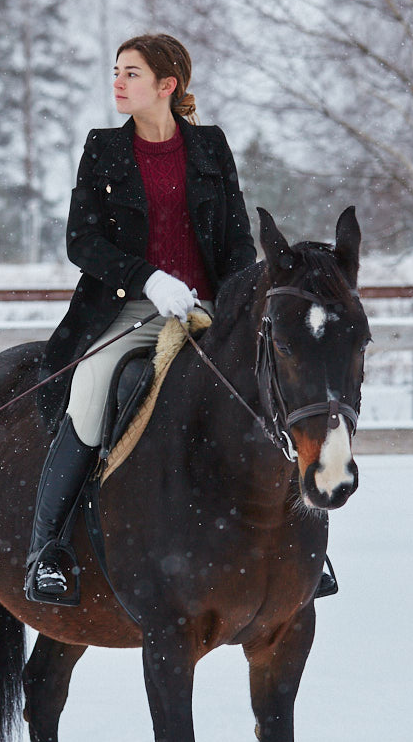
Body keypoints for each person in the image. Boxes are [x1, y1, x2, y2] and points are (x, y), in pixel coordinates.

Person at [25, 32, 257, 603]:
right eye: (116, 72)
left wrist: (230, 302)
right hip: (128, 306)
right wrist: (149, 277)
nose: (118, 82)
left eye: (131, 73)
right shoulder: (103, 148)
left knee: (266, 386)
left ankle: (302, 542)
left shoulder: (210, 147)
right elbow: (82, 242)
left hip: (204, 310)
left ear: (166, 85)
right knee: (90, 387)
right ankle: (45, 549)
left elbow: (236, 241)